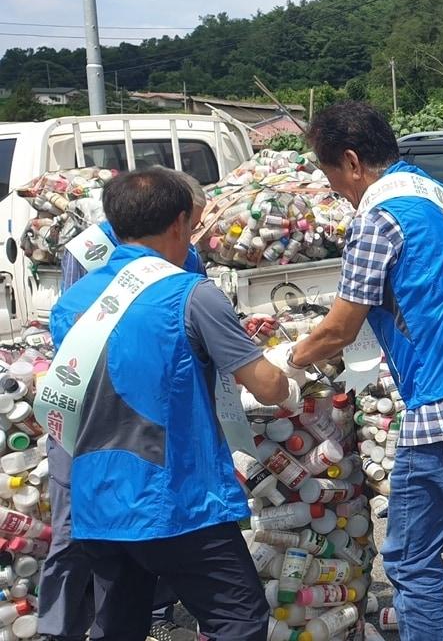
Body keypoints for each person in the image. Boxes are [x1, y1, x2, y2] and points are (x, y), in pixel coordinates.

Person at [282, 102, 443, 641]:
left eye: (330, 174)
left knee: (409, 557)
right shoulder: (432, 191)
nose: (334, 190)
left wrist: (289, 360)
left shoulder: (377, 220)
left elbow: (340, 329)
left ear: (352, 162)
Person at [45, 167, 296, 641]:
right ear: (180, 222)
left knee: (118, 627)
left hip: (98, 501)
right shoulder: (190, 294)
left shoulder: (74, 301)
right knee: (239, 620)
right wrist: (291, 379)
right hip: (178, 500)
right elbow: (266, 385)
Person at [41, 172, 210, 641]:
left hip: (154, 415)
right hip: (92, 414)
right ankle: (61, 628)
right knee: (75, 528)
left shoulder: (187, 255)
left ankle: (151, 614)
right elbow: (77, 338)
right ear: (168, 216)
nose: (188, 234)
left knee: (153, 519)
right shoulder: (90, 254)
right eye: (188, 223)